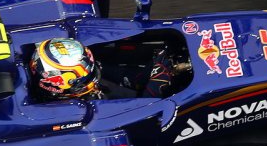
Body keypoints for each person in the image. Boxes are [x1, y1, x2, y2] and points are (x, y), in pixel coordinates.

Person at [29, 37, 184, 101]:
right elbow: (141, 112)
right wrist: (155, 86)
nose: (92, 74)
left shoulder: (50, 79)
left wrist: (153, 68)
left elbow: (116, 75)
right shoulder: (76, 110)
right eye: (87, 76)